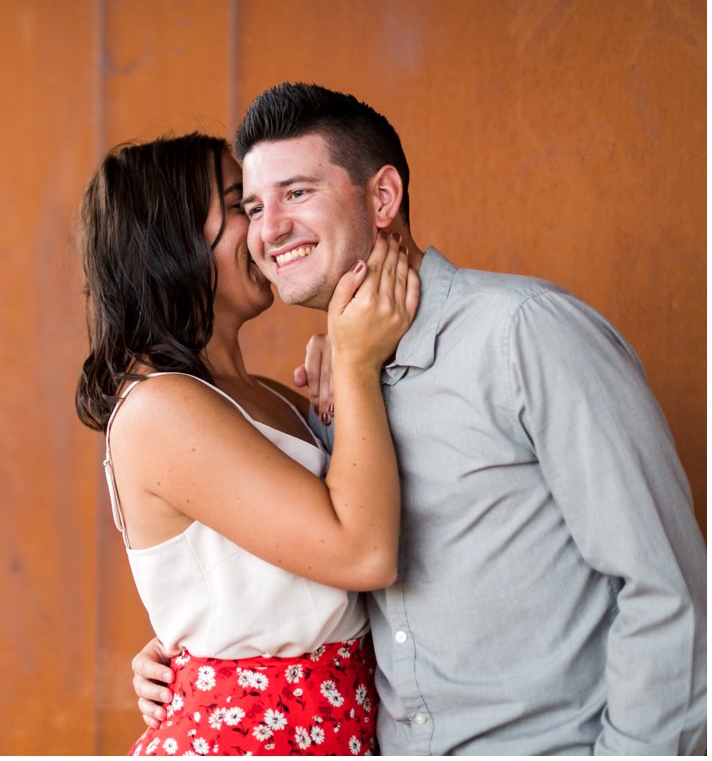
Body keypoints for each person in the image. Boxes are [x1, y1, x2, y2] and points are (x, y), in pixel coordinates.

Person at [131, 82, 708, 755]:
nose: (268, 229)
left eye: (296, 193)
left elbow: (669, 591)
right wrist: (196, 660)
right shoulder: (326, 395)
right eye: (253, 206)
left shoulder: (524, 336)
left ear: (382, 198)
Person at [75, 132, 419, 755]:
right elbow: (363, 552)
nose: (267, 230)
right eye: (244, 205)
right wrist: (356, 362)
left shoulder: (267, 394)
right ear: (172, 242)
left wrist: (342, 370)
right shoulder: (160, 409)